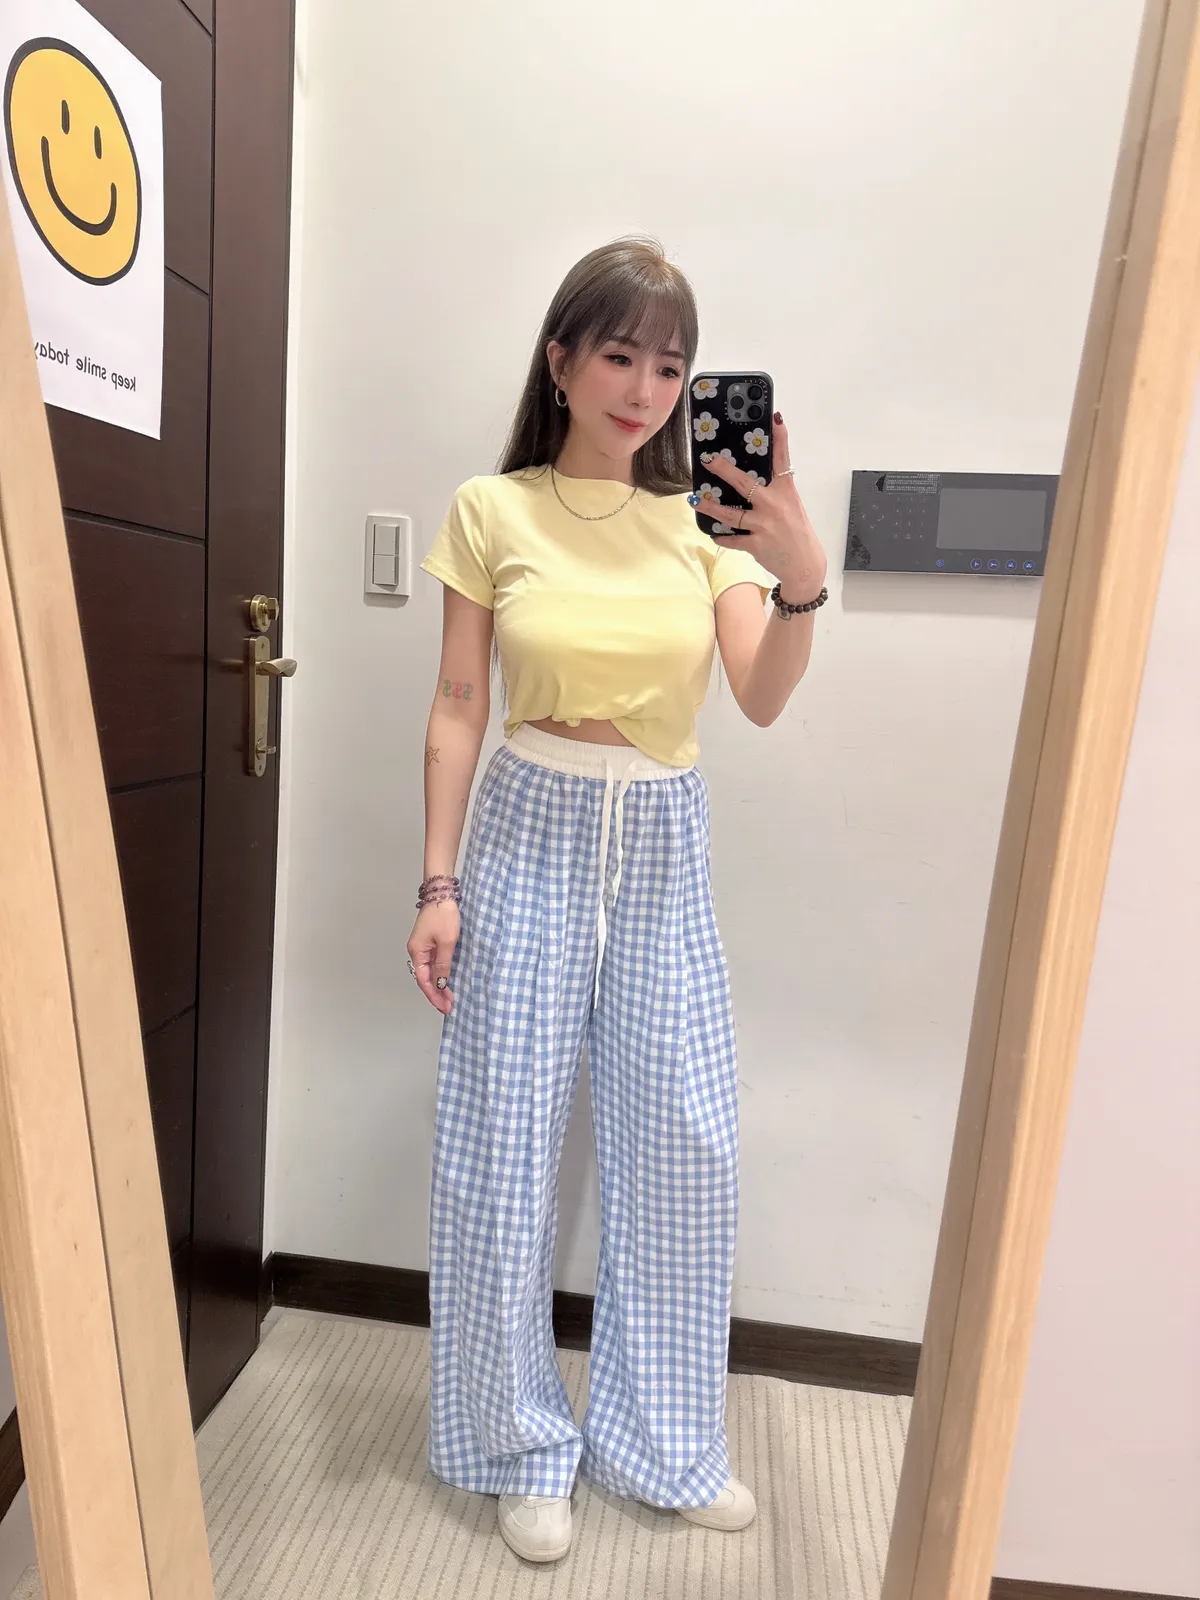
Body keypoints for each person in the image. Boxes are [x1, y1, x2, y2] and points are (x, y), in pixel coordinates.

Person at [407, 235, 827, 1564]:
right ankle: (516, 1443)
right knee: (501, 1150)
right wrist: (438, 882)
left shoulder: (704, 519)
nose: (646, 388)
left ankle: (664, 1443)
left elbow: (759, 695)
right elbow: (458, 706)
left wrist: (800, 576)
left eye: (670, 365)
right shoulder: (493, 508)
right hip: (525, 822)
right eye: (621, 355)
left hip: (659, 837)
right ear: (562, 361)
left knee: (684, 1145)